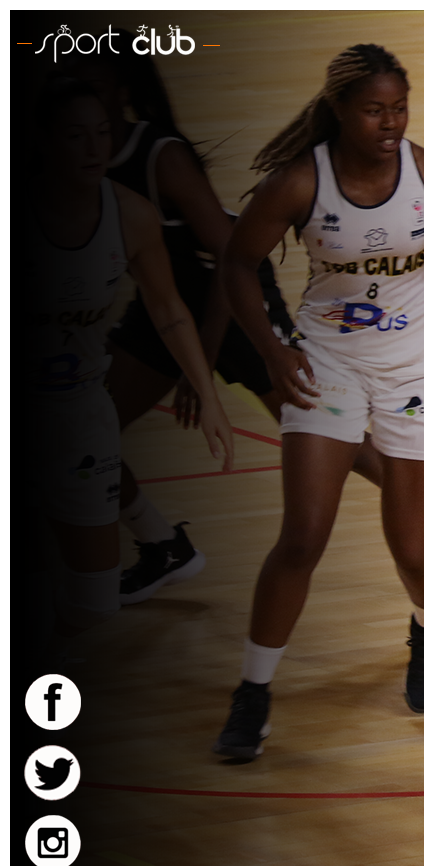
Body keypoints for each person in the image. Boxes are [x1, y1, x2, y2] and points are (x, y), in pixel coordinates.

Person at [71, 52, 424, 618]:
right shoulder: (70, 156)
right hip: (161, 310)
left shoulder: (158, 156)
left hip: (232, 309)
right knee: (92, 429)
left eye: (92, 82)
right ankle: (161, 543)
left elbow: (228, 259)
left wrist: (206, 358)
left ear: (120, 90)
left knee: (335, 443)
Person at [210, 44, 424, 759]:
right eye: (375, 109)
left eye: (399, 108)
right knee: (302, 537)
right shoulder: (299, 183)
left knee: (411, 544)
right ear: (341, 109)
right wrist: (273, 350)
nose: (390, 122)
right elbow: (236, 261)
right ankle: (253, 693)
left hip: (416, 367)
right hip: (329, 363)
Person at [20, 75, 234, 650]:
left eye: (101, 133)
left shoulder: (131, 214)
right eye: (76, 136)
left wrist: (207, 394)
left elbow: (168, 309)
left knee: (94, 600)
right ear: (44, 141)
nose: (94, 148)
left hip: (81, 415)